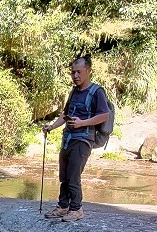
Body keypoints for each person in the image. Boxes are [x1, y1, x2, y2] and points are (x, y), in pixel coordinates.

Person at [42, 55, 110, 222]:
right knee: (64, 175)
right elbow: (65, 114)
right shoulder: (73, 91)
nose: (75, 76)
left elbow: (105, 115)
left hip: (83, 140)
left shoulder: (97, 92)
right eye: (73, 72)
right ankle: (63, 206)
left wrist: (82, 123)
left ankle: (76, 209)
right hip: (68, 138)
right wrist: (51, 126)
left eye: (79, 72)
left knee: (73, 175)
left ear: (88, 71)